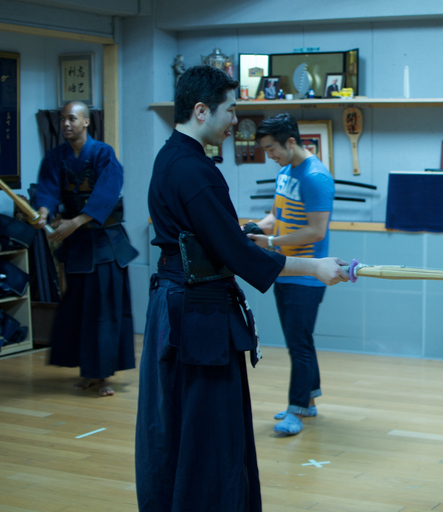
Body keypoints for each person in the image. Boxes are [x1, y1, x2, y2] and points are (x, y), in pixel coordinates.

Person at [134, 65, 348, 512]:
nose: (235, 121)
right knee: (208, 431)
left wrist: (244, 232)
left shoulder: (169, 157)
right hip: (196, 316)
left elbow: (212, 236)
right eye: (230, 110)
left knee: (178, 425)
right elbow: (235, 252)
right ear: (200, 110)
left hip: (178, 304)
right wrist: (315, 268)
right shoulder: (195, 170)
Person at [34, 100, 137, 397]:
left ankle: (103, 374)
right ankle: (88, 371)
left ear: (86, 122)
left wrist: (75, 221)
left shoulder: (103, 153)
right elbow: (48, 189)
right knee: (79, 311)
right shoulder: (56, 156)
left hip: (105, 243)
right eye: (63, 119)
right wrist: (42, 212)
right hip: (78, 245)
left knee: (105, 311)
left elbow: (108, 191)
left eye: (72, 119)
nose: (66, 124)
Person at [249, 113, 334, 436]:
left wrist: (269, 242)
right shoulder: (285, 172)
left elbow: (315, 231)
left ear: (291, 141)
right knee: (300, 342)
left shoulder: (316, 177)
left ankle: (296, 410)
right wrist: (253, 228)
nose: (269, 156)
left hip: (308, 274)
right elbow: (275, 215)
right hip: (283, 269)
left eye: (272, 149)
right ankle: (308, 402)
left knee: (298, 345)